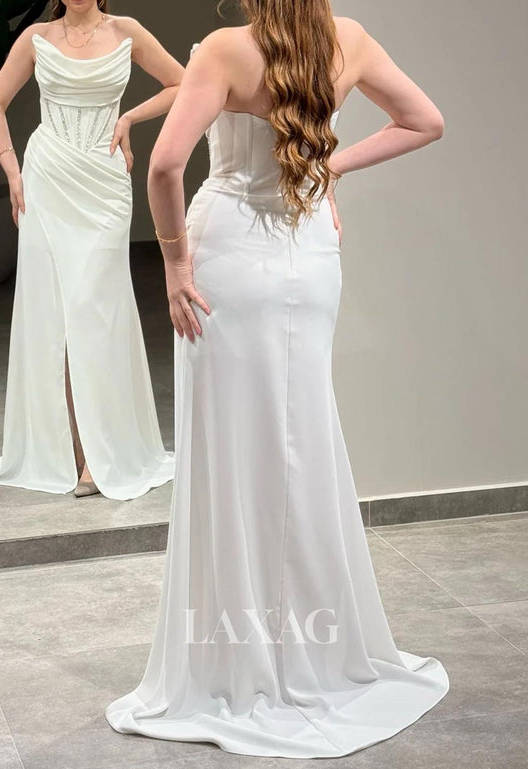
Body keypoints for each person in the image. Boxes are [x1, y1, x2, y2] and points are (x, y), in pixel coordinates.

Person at [105, 0, 449, 758]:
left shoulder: (223, 49)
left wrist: (173, 263)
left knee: (231, 453)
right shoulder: (349, 40)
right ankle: (316, 650)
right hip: (308, 252)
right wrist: (327, 168)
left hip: (228, 256)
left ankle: (235, 656)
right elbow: (424, 121)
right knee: (302, 441)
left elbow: (164, 165)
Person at [0, 0, 183, 499]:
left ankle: (106, 451)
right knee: (58, 315)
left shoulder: (126, 30)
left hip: (103, 184)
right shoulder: (37, 36)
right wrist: (12, 171)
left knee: (94, 311)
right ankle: (80, 455)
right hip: (47, 180)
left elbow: (181, 83)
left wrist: (129, 119)